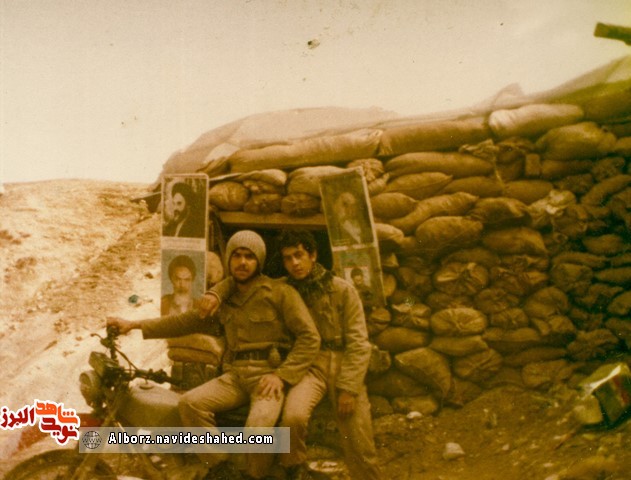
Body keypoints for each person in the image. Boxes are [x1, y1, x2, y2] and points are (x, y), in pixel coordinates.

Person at [107, 230, 320, 479]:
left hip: (267, 377)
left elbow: (310, 337)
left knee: (256, 434)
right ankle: (221, 467)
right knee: (190, 403)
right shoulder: (223, 300)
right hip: (235, 376)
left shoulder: (280, 293)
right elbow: (183, 322)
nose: (242, 262)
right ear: (228, 260)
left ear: (259, 261)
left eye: (249, 257)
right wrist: (134, 324)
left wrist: (281, 376)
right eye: (237, 256)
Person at [206, 230, 381, 479]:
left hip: (343, 360)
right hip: (309, 365)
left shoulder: (341, 290)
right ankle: (294, 469)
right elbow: (240, 282)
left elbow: (359, 343)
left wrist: (349, 388)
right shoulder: (282, 289)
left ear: (313, 255)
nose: (294, 263)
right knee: (293, 417)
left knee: (358, 437)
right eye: (288, 258)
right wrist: (216, 292)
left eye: (299, 255)